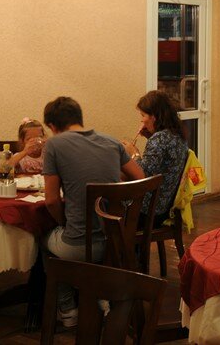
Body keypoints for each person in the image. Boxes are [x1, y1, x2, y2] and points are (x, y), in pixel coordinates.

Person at [42, 97, 143, 327]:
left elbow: (51, 201)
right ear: (79, 118)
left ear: (53, 126)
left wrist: (63, 222)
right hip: (115, 241)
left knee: (43, 237)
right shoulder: (111, 142)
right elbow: (140, 178)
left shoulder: (54, 145)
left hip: (80, 245)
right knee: (72, 239)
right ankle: (100, 294)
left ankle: (68, 309)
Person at [122, 91, 189, 229]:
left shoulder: (159, 139)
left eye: (143, 115)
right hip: (165, 206)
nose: (142, 120)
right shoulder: (177, 135)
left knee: (105, 201)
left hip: (148, 211)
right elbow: (162, 160)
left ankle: (118, 241)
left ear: (154, 117)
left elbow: (141, 175)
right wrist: (150, 136)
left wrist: (134, 153)